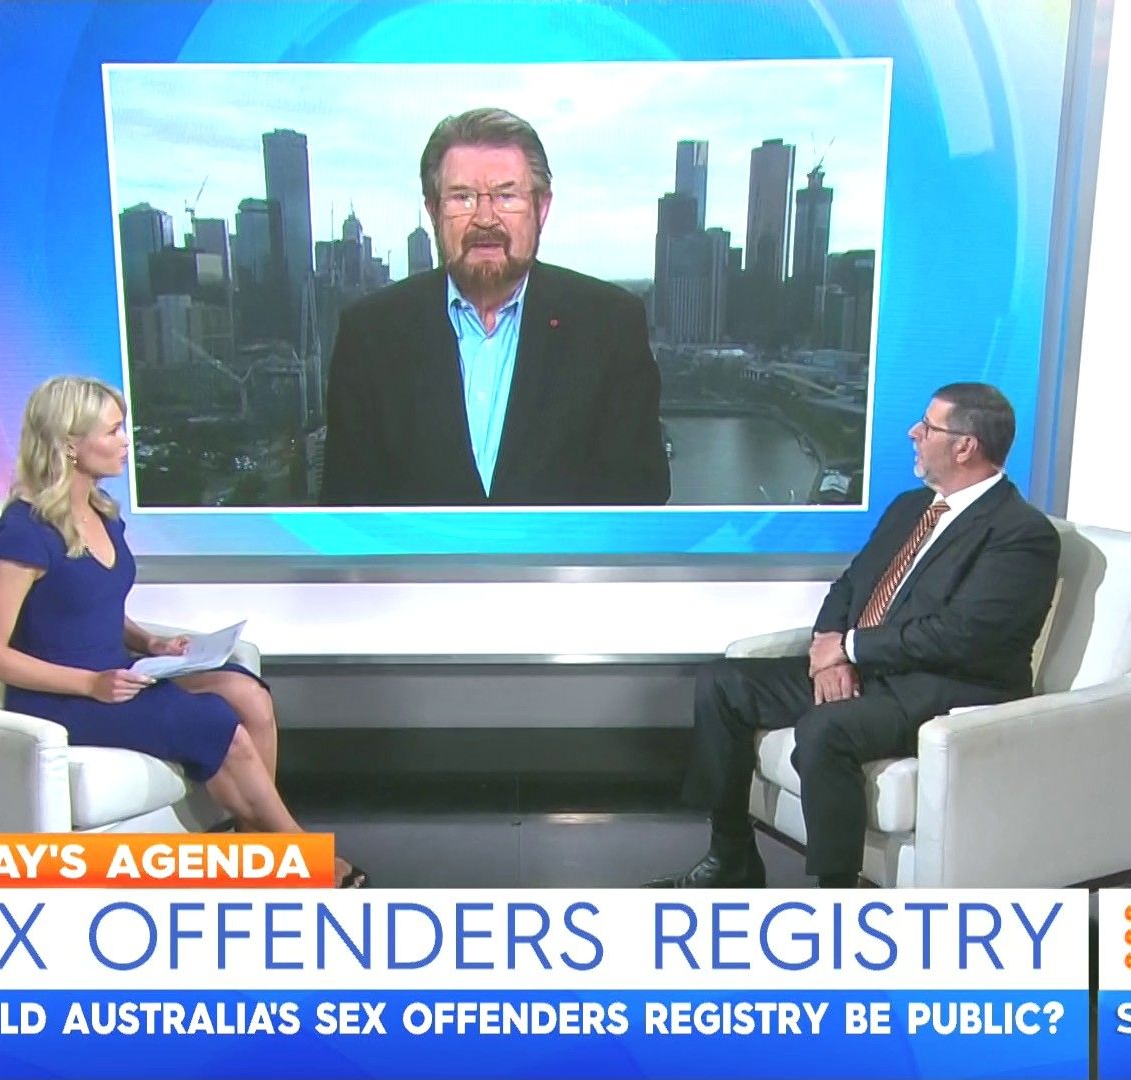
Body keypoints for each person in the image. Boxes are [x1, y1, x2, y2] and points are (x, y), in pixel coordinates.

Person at [649, 383, 1059, 888]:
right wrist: (831, 646)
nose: (913, 433)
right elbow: (851, 585)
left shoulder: (1020, 533)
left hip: (945, 686)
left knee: (825, 730)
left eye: (928, 426)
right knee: (723, 683)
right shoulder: (911, 507)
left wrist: (850, 648)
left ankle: (838, 897)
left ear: (965, 446)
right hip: (871, 667)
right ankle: (730, 856)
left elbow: (961, 636)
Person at [0, 375, 366, 887]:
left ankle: (252, 846)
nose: (126, 441)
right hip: (62, 697)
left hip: (117, 671)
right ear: (68, 445)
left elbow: (90, 603)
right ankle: (299, 856)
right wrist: (90, 684)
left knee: (248, 694)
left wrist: (147, 642)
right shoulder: (21, 533)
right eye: (112, 431)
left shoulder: (101, 513)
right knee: (218, 725)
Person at [320, 107, 670, 507]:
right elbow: (346, 517)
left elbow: (638, 508)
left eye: (506, 196)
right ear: (433, 210)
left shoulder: (610, 328)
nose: (485, 218)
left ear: (541, 208)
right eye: (462, 197)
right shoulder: (369, 334)